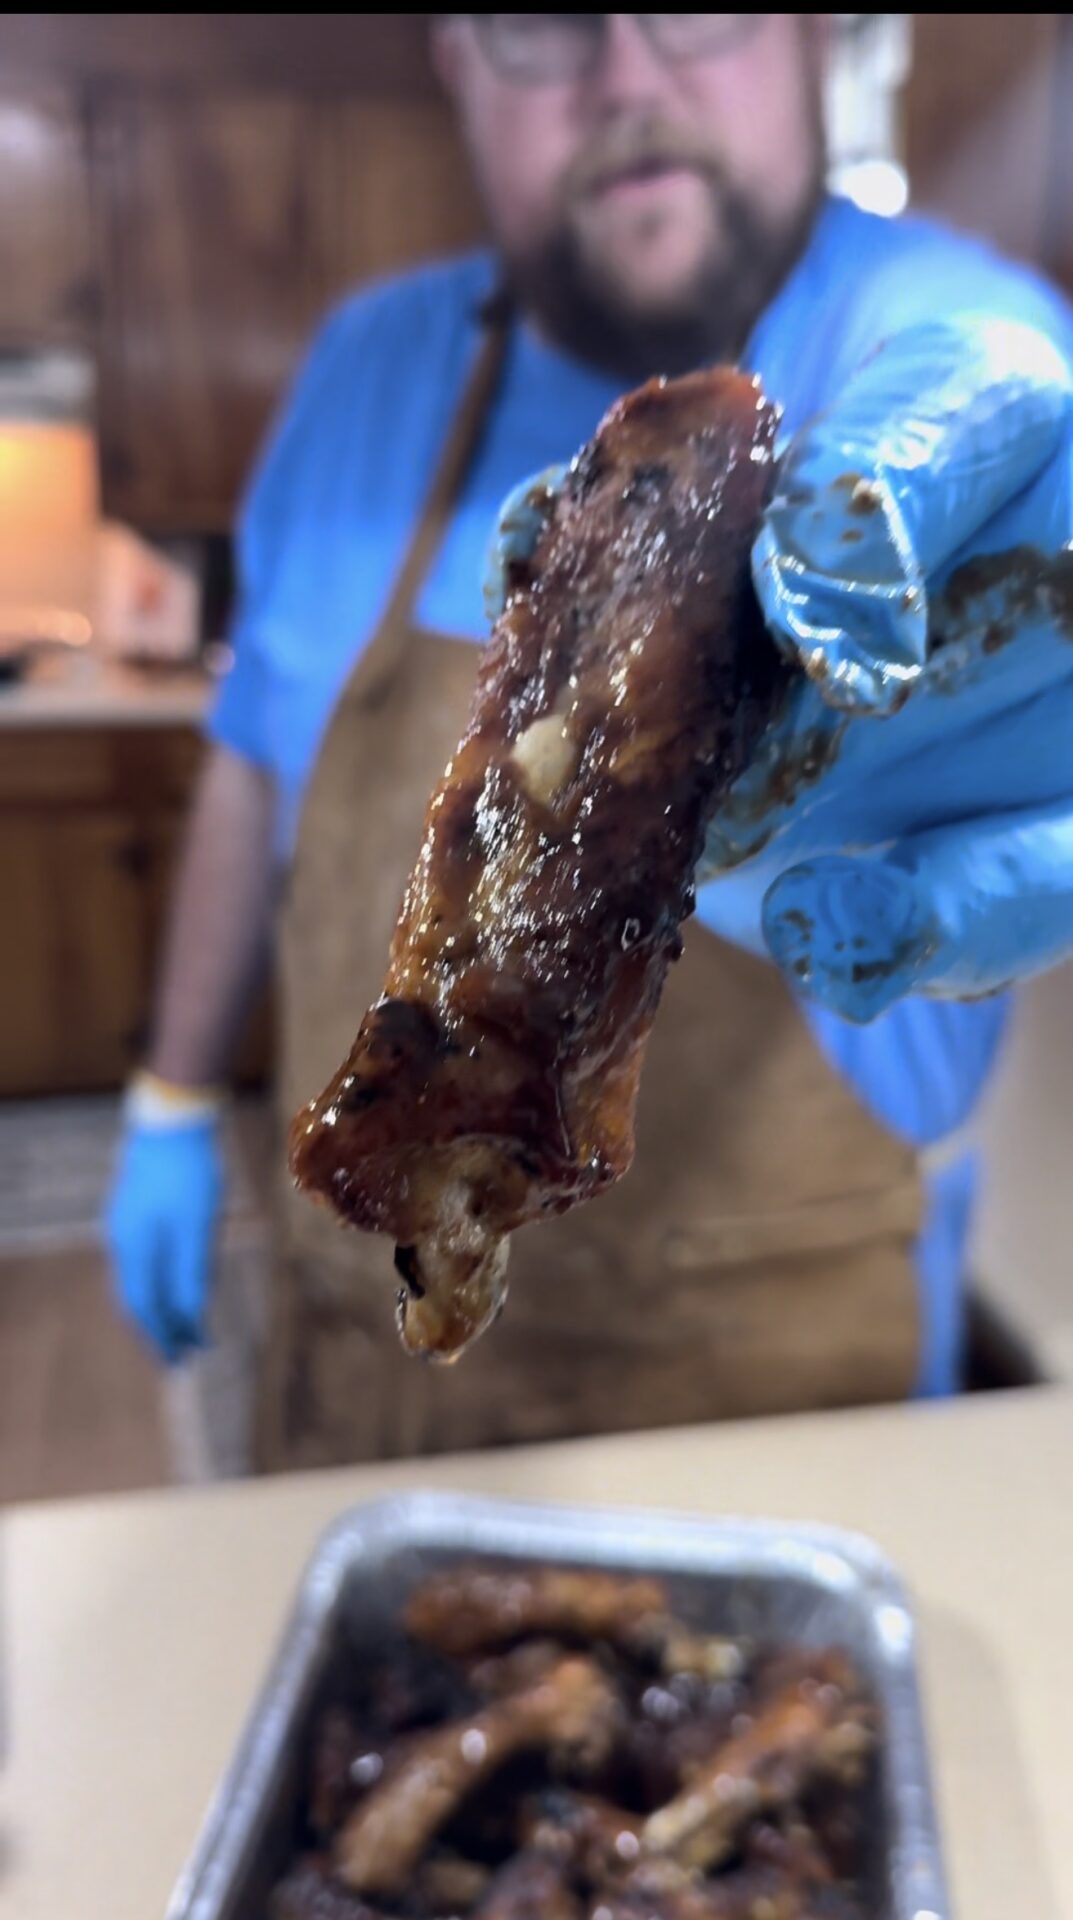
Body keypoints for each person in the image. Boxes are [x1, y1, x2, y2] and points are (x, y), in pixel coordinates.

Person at [105, 14, 1073, 1467]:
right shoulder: (368, 367)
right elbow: (254, 761)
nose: (629, 77)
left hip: (778, 1415)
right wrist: (171, 1097)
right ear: (456, 64)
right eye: (541, 24)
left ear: (817, 39)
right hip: (366, 1385)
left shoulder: (921, 333)